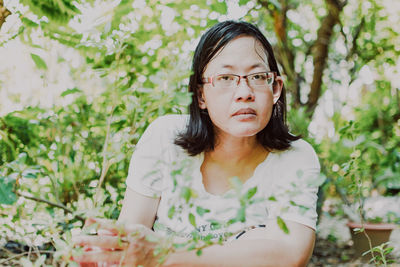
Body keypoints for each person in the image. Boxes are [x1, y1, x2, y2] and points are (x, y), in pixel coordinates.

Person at [73, 20, 321, 267]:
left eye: (257, 76)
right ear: (201, 95)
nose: (244, 92)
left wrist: (166, 253)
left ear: (275, 88)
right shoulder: (164, 138)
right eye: (225, 78)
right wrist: (250, 245)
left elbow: (290, 254)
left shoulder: (296, 158)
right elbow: (132, 242)